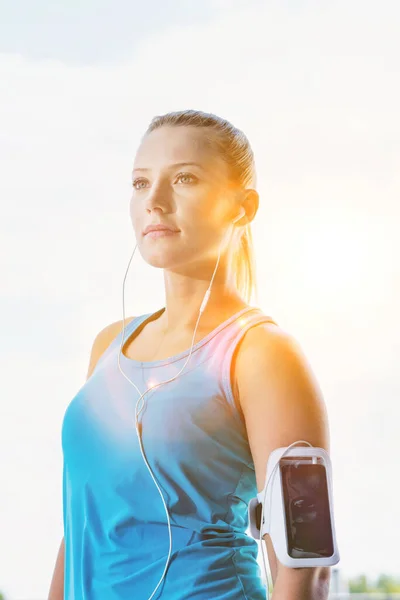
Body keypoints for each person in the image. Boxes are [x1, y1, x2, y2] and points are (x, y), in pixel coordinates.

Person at [48, 109, 331, 599]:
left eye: (184, 178)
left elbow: (306, 561)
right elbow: (83, 528)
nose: (154, 201)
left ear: (242, 207)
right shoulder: (108, 346)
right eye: (140, 183)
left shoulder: (263, 353)